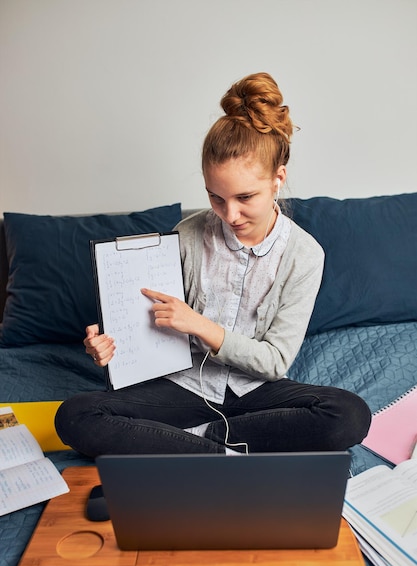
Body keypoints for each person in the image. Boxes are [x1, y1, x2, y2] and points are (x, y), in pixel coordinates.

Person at [55, 72, 371, 457]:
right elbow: (151, 329)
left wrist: (201, 326)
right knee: (75, 415)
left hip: (257, 392)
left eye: (245, 197)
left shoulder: (305, 255)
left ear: (278, 179)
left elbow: (273, 362)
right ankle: (218, 454)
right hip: (184, 386)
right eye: (215, 198)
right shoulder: (187, 235)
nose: (230, 214)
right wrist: (110, 346)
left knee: (349, 415)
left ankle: (198, 440)